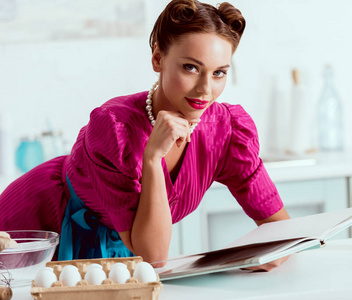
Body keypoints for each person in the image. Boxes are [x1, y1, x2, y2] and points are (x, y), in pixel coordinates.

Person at [0, 0, 289, 270]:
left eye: (219, 73)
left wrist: (264, 256)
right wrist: (152, 158)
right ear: (158, 58)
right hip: (39, 224)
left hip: (124, 253)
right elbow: (153, 256)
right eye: (191, 67)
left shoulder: (228, 130)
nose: (205, 89)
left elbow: (281, 228)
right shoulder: (113, 127)